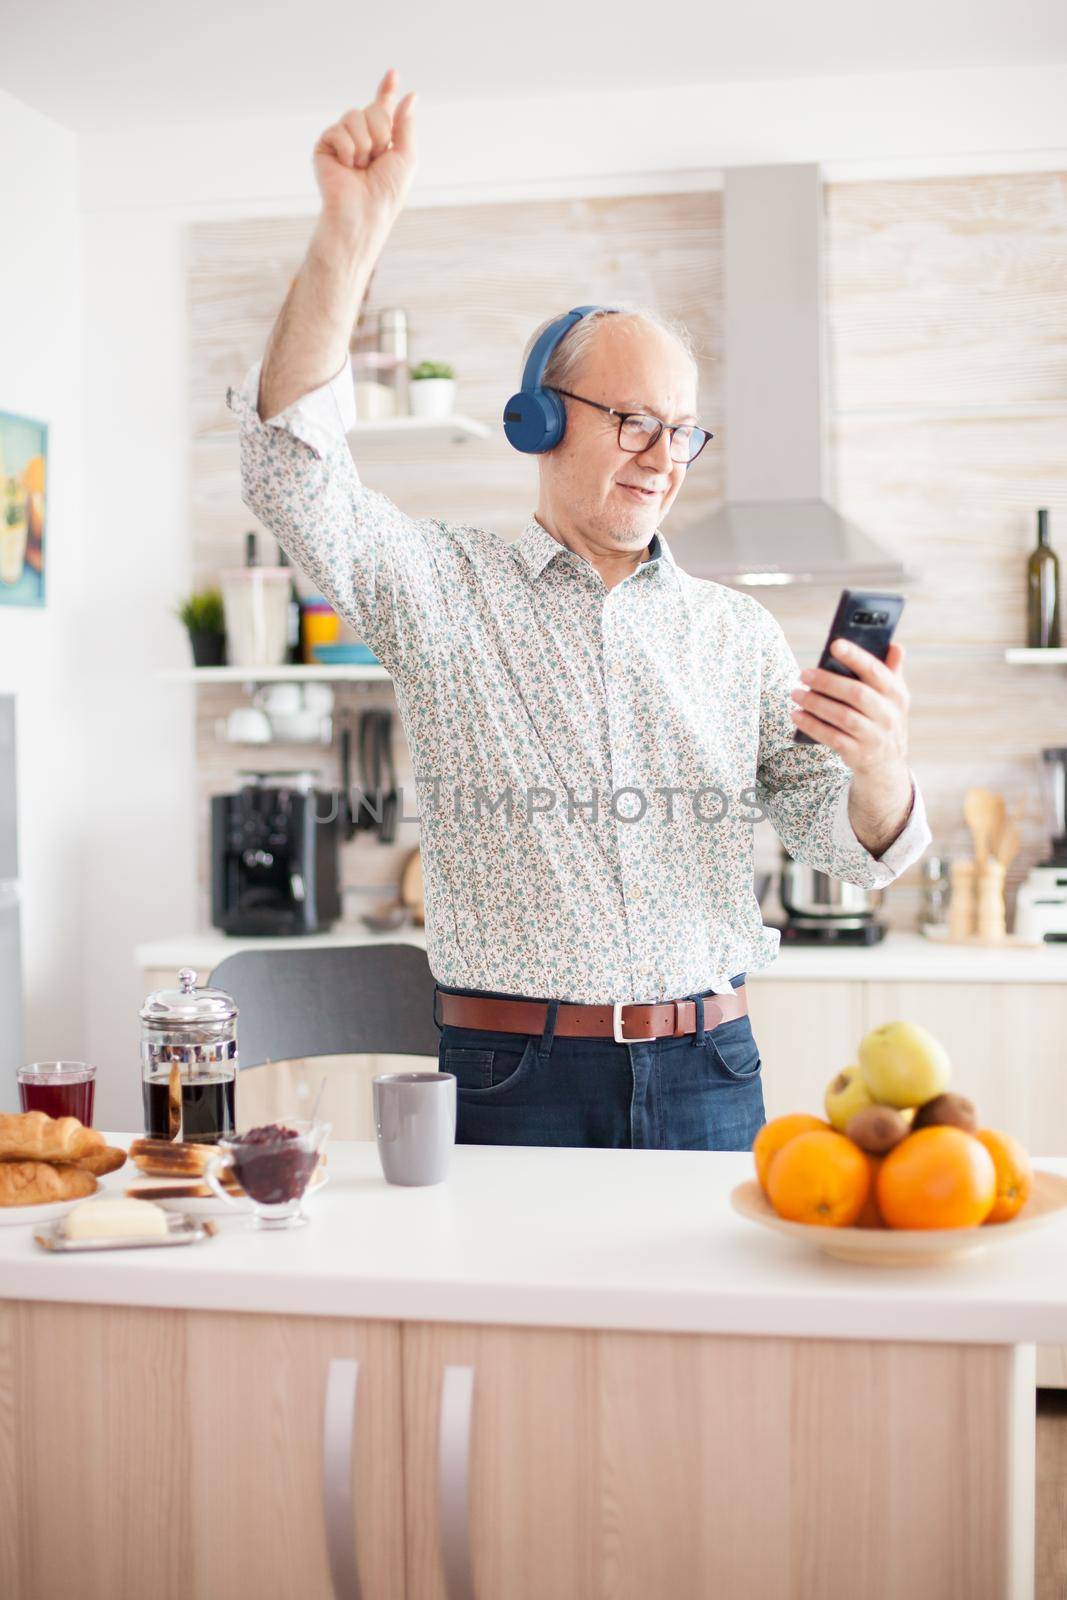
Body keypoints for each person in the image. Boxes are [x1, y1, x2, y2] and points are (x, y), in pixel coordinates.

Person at [225, 68, 932, 1152]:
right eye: (633, 419)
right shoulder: (442, 589)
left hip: (711, 1065)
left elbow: (841, 848)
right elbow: (288, 470)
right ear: (537, 418)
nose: (663, 457)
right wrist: (349, 235)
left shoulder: (733, 633)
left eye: (682, 430)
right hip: (515, 1072)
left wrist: (878, 772)